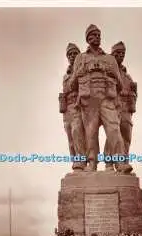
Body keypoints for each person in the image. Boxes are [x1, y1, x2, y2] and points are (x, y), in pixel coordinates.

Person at [67, 24, 133, 173]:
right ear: (87, 39)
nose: (96, 37)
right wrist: (79, 73)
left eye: (98, 35)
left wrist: (110, 72)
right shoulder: (80, 58)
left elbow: (121, 84)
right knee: (90, 134)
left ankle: (120, 163)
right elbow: (71, 85)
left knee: (114, 129)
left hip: (107, 99)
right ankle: (92, 164)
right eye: (93, 35)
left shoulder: (110, 59)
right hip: (88, 101)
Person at [103, 41, 137, 171]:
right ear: (113, 54)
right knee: (113, 134)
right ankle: (109, 163)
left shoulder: (127, 76)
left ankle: (123, 162)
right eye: (118, 53)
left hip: (126, 109)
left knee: (126, 136)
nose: (121, 55)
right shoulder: (108, 71)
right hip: (113, 105)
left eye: (123, 53)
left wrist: (133, 92)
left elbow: (133, 94)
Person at [59, 43, 87, 171]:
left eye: (74, 53)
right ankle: (76, 163)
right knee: (70, 138)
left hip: (78, 106)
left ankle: (82, 161)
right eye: (69, 54)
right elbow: (66, 90)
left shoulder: (82, 70)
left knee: (78, 133)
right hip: (67, 110)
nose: (71, 56)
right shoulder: (66, 76)